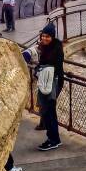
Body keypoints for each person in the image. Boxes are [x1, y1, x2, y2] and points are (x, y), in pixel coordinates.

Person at [36, 22, 64, 151]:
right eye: (43, 36)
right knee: (47, 111)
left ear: (52, 37)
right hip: (46, 81)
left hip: (54, 82)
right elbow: (42, 62)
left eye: (47, 36)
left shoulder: (57, 48)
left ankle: (53, 139)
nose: (44, 38)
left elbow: (54, 65)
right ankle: (54, 138)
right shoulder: (44, 47)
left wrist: (41, 67)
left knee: (49, 110)